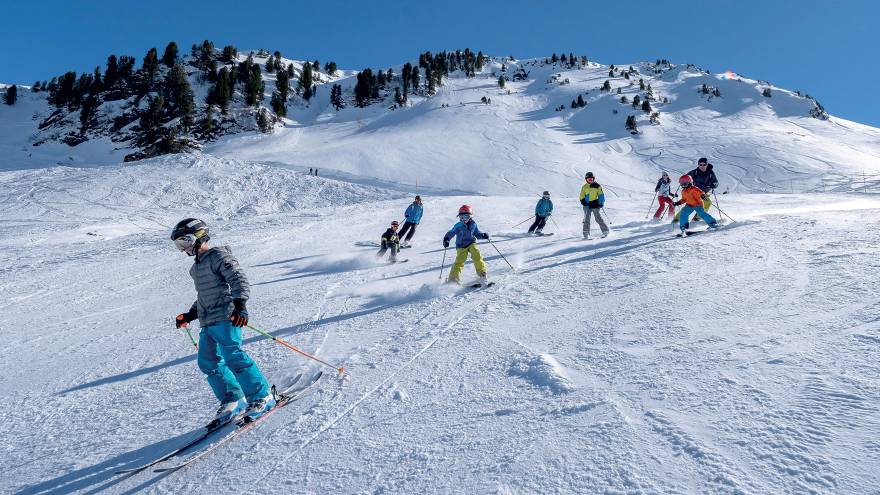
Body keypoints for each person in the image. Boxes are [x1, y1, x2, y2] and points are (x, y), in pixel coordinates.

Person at [170, 218, 276, 425]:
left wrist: (240, 306)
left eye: (185, 241)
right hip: (208, 321)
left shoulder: (218, 256)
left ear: (200, 236)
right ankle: (233, 398)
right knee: (207, 362)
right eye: (179, 245)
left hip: (227, 317)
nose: (184, 249)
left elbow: (238, 279)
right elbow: (204, 296)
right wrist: (191, 314)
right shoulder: (196, 268)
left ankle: (262, 396)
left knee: (233, 357)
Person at [443, 205, 490, 286]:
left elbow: (477, 234)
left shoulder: (473, 224)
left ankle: (482, 273)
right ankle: (453, 279)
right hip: (461, 246)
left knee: (477, 255)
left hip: (471, 243)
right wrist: (446, 239)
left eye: (466, 217)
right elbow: (451, 232)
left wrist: (483, 235)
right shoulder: (458, 225)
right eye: (462, 217)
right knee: (460, 261)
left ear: (470, 216)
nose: (464, 219)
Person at [675, 157, 718, 223]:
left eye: (704, 164)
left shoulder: (710, 173)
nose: (702, 166)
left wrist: (714, 185)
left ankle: (697, 218)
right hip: (693, 192)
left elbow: (716, 182)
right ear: (698, 165)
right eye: (700, 164)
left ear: (707, 164)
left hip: (704, 192)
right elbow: (686, 177)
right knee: (689, 205)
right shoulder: (694, 172)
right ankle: (676, 219)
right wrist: (683, 181)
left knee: (707, 203)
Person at [579, 172, 609, 239]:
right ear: (586, 180)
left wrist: (600, 203)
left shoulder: (597, 186)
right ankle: (586, 233)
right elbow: (581, 196)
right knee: (587, 219)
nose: (590, 180)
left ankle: (605, 231)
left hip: (595, 204)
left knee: (598, 218)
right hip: (587, 205)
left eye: (591, 179)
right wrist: (583, 202)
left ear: (593, 179)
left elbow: (601, 195)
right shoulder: (584, 187)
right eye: (588, 179)